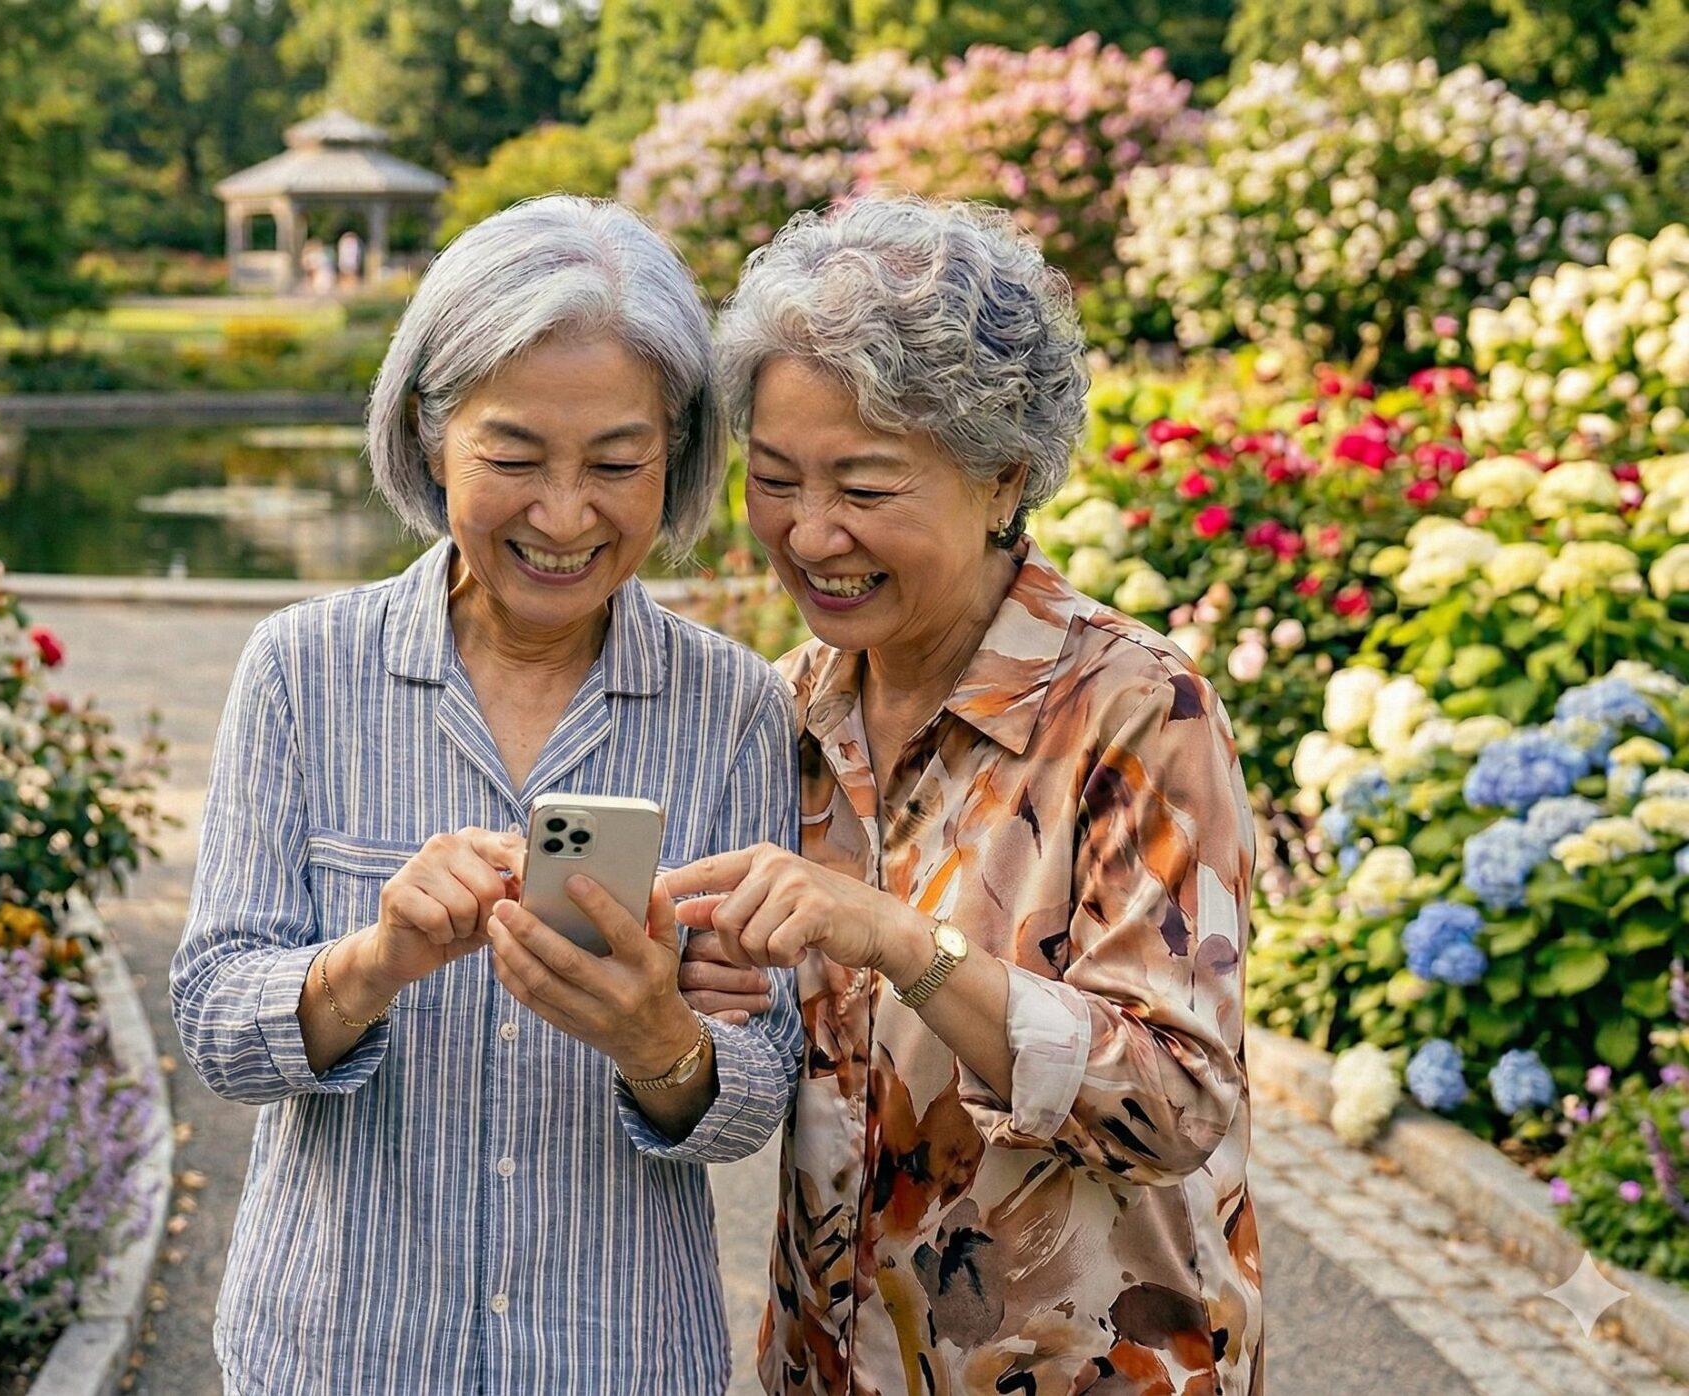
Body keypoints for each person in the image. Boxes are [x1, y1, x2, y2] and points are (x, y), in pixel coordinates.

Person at [171, 195, 803, 1395]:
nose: (564, 516)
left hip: (610, 1355)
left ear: (672, 455)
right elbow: (213, 1020)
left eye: (616, 464)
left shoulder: (732, 707)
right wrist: (372, 962)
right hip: (335, 1348)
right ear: (428, 432)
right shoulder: (304, 669)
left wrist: (658, 1038)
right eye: (513, 458)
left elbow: (755, 1090)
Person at [673, 196, 1264, 1395]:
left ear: (1002, 480)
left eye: (867, 485)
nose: (809, 531)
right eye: (775, 478)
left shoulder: (1133, 705)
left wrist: (900, 941)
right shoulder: (782, 710)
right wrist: (703, 990)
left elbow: (1180, 1104)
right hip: (829, 1359)